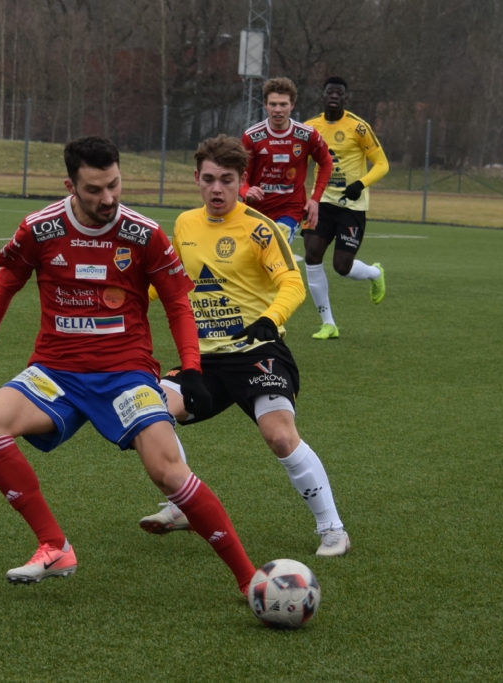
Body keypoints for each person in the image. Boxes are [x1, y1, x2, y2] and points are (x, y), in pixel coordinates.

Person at [0, 136, 256, 596]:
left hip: (125, 374)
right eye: (94, 189)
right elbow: (6, 281)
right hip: (56, 371)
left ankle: (249, 579)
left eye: (114, 185)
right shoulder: (40, 229)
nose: (108, 198)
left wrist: (192, 369)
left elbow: (177, 303)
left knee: (169, 472)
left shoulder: (144, 234)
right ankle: (54, 546)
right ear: (70, 185)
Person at [139, 134, 350, 557]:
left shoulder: (259, 227)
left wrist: (271, 320)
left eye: (227, 180)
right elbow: (171, 283)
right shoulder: (185, 224)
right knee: (148, 413)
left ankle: (333, 529)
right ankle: (182, 503)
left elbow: (291, 282)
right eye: (209, 180)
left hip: (257, 351)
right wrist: (127, 299)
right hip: (203, 358)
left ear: (241, 181)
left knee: (280, 436)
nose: (217, 189)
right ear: (197, 179)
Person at [303, 76, 390, 340]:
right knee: (312, 254)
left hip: (351, 206)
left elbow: (382, 164)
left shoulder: (359, 128)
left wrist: (360, 184)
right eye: (330, 92)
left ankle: (375, 273)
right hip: (322, 203)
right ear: (322, 97)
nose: (334, 96)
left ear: (345, 99)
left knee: (342, 266)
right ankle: (328, 324)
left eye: (339, 93)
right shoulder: (309, 128)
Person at [239, 77, 333, 244]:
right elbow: (240, 175)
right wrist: (245, 192)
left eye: (283, 104)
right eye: (273, 104)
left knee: (274, 243)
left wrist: (315, 199)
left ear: (292, 105)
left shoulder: (307, 135)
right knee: (253, 255)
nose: (278, 110)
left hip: (290, 210)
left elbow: (326, 162)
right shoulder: (251, 137)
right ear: (265, 105)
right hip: (256, 210)